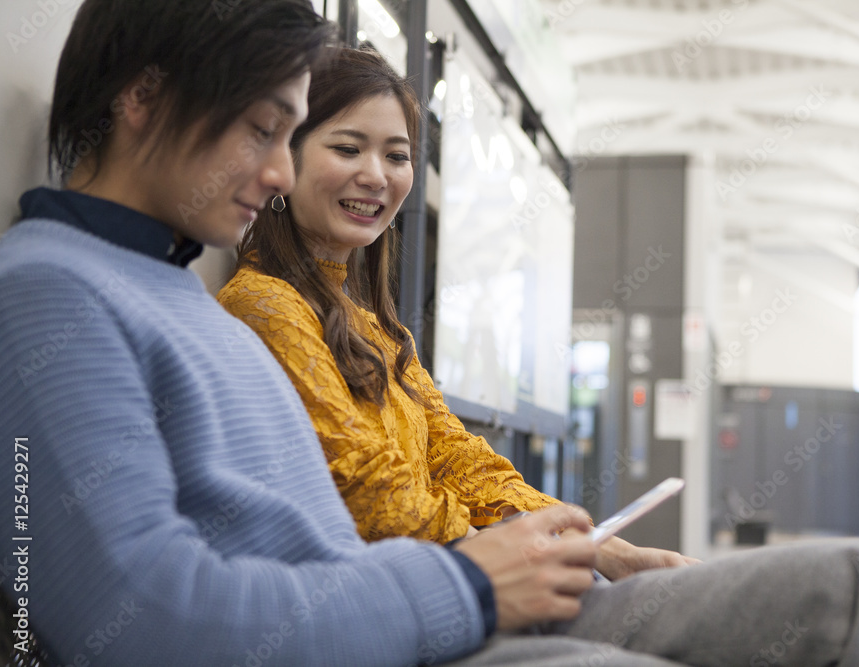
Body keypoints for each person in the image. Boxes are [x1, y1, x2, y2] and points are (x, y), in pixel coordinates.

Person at [0, 2, 859, 665]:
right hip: (413, 622)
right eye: (267, 132)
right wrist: (471, 581)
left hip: (411, 612)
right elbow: (139, 616)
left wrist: (541, 546)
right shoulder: (53, 294)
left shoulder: (170, 286)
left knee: (858, 584)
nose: (277, 171)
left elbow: (440, 469)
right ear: (144, 98)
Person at [217, 47, 689, 580]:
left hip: (428, 587)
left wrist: (596, 545)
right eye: (348, 148)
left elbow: (455, 457)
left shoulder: (376, 330)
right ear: (285, 158)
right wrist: (506, 559)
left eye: (397, 156)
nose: (376, 175)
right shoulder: (263, 306)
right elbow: (359, 485)